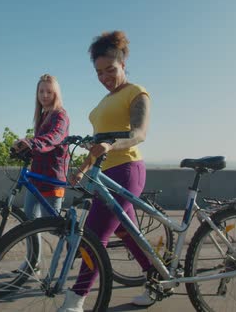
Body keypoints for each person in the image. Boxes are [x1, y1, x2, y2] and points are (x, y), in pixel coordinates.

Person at [58, 31, 153, 311]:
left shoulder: (137, 93)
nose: (104, 77)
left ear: (123, 64)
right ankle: (157, 278)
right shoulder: (102, 102)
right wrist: (83, 168)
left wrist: (112, 145)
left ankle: (76, 300)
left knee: (94, 234)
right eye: (99, 72)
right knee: (129, 234)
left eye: (110, 70)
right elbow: (99, 143)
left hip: (127, 170)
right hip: (104, 173)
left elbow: (138, 133)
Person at [12, 73, 70, 272]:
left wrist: (32, 143)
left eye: (49, 91)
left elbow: (53, 137)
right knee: (29, 221)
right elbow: (41, 140)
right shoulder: (43, 116)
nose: (45, 95)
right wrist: (23, 146)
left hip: (51, 178)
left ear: (56, 93)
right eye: (41, 91)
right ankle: (33, 262)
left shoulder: (60, 115)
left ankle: (81, 243)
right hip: (36, 176)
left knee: (54, 226)